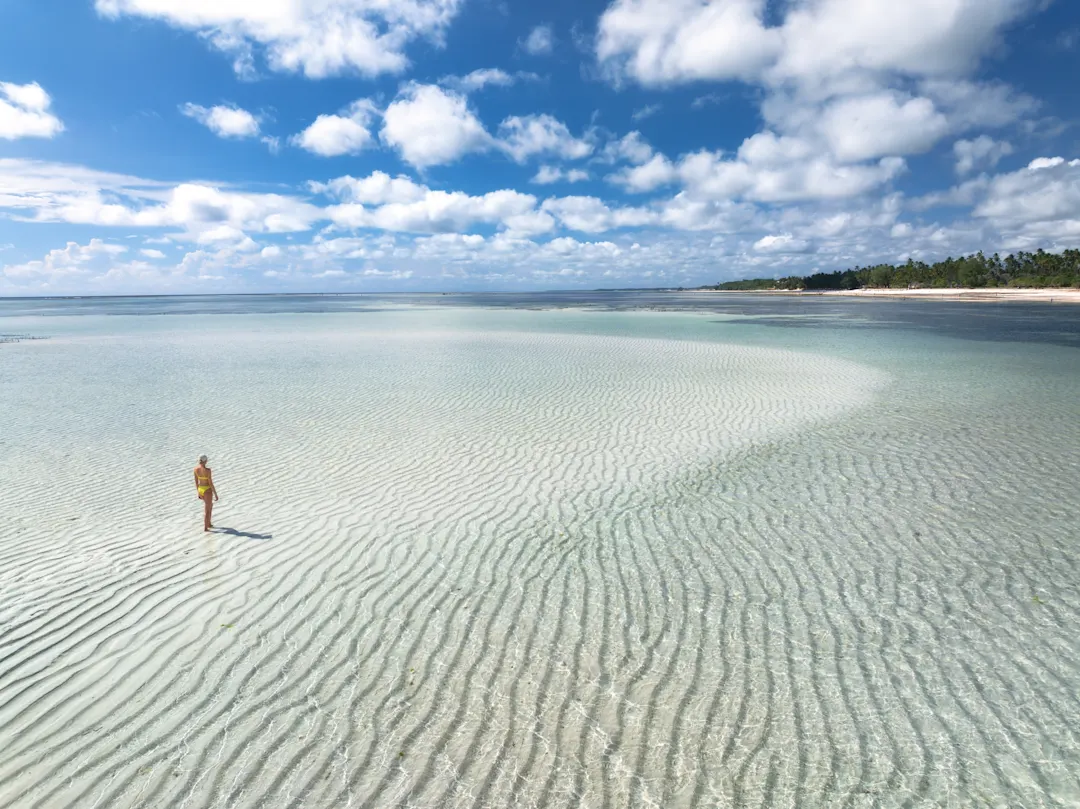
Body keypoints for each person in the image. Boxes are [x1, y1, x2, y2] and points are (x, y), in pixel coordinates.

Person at [194, 455, 219, 532]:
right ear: (205, 461)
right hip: (207, 490)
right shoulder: (208, 470)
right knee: (207, 509)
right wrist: (215, 494)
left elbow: (196, 482)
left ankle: (209, 523)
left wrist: (198, 492)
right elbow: (210, 483)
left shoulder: (195, 469)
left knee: (210, 506)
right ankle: (205, 528)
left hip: (201, 489)